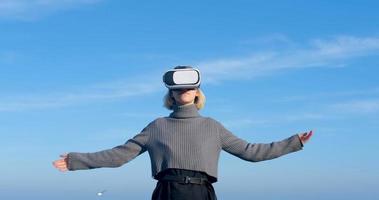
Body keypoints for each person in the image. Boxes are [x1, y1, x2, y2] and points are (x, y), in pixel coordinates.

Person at [53, 66, 313, 200]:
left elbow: (251, 152)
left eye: (189, 88)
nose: (183, 91)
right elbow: (120, 156)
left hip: (202, 193)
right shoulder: (157, 126)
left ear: (198, 92)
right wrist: (77, 161)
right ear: (171, 94)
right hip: (167, 192)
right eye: (178, 89)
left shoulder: (213, 126)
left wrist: (293, 143)